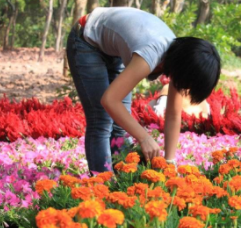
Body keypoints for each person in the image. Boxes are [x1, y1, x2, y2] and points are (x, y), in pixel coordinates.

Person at [66, 7, 221, 173]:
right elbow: (110, 100)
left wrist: (169, 161)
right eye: (188, 85)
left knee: (120, 125)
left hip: (113, 50)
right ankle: (101, 185)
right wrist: (144, 137)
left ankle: (121, 180)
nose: (185, 89)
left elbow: (173, 114)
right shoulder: (151, 53)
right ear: (184, 71)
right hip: (86, 39)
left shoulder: (181, 57)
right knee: (101, 120)